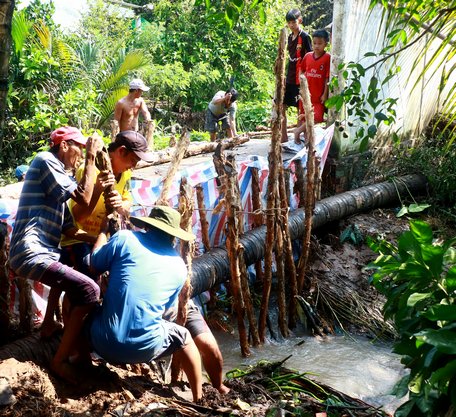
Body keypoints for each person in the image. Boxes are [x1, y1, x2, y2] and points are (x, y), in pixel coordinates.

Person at [9, 126, 106, 383]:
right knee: (90, 292)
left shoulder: (58, 183)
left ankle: (63, 338)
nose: (81, 154)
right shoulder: (46, 161)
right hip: (32, 252)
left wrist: (98, 238)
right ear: (64, 146)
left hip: (44, 255)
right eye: (79, 149)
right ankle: (60, 361)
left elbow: (71, 229)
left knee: (78, 284)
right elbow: (84, 200)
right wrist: (91, 160)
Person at [87, 206, 203, 402]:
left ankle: (75, 359)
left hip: (102, 342)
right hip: (144, 349)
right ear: (172, 236)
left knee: (79, 301)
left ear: (148, 226)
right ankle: (198, 397)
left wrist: (102, 231)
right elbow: (166, 311)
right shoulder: (179, 267)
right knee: (184, 336)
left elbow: (94, 264)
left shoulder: (125, 238)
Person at [61, 130, 155, 276]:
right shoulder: (87, 171)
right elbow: (78, 217)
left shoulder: (126, 174)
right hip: (78, 238)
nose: (133, 166)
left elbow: (127, 202)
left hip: (102, 236)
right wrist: (98, 189)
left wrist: (120, 206)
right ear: (121, 151)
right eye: (133, 160)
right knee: (89, 272)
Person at [163, 300, 230, 394]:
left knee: (209, 346)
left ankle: (218, 386)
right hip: (155, 318)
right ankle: (197, 396)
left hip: (183, 307)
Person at [293, 29, 331, 144]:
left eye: (320, 43)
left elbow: (327, 78)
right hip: (306, 94)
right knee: (304, 117)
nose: (316, 46)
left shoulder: (328, 58)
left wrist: (325, 94)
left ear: (326, 44)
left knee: (317, 117)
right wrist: (301, 88)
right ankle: (307, 143)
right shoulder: (308, 56)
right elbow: (302, 71)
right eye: (314, 43)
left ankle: (297, 131)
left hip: (318, 96)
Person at [282, 9, 312, 143]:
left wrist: (305, 75)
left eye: (293, 22)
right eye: (289, 22)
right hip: (290, 75)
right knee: (283, 104)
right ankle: (283, 135)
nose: (291, 25)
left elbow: (310, 56)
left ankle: (299, 136)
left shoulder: (305, 37)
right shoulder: (289, 37)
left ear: (299, 20)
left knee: (300, 107)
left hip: (301, 77)